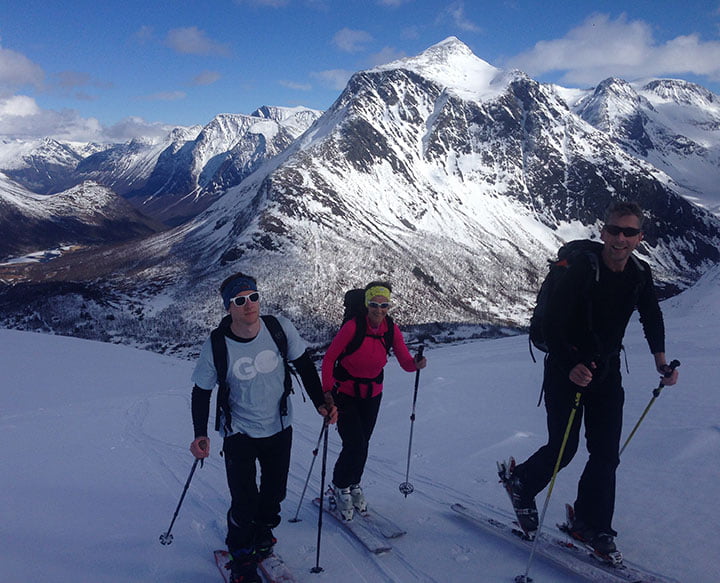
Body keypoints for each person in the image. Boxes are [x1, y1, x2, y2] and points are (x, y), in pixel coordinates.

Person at [503, 201, 679, 556]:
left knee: (606, 454)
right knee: (564, 448)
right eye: (614, 230)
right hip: (565, 369)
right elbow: (552, 321)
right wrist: (569, 363)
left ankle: (592, 523)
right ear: (603, 233)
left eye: (629, 232)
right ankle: (521, 482)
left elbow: (651, 315)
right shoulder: (582, 269)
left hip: (607, 373)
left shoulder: (639, 274)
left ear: (640, 237)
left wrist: (661, 360)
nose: (620, 238)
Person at [189, 272, 337, 583]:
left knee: (273, 497)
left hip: (279, 426)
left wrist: (320, 402)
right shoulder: (217, 345)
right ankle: (241, 557)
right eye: (239, 301)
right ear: (228, 307)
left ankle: (262, 541)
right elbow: (201, 391)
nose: (249, 305)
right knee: (244, 502)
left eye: (253, 297)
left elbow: (304, 365)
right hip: (239, 432)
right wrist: (200, 434)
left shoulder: (278, 328)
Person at [321, 281, 427, 520]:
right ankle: (340, 485)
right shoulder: (352, 327)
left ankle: (353, 483)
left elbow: (405, 362)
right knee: (354, 444)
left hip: (372, 396)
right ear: (367, 304)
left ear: (389, 306)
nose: (379, 310)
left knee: (363, 443)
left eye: (384, 305)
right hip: (345, 395)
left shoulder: (390, 329)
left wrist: (417, 364)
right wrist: (327, 393)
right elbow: (329, 360)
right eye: (374, 304)